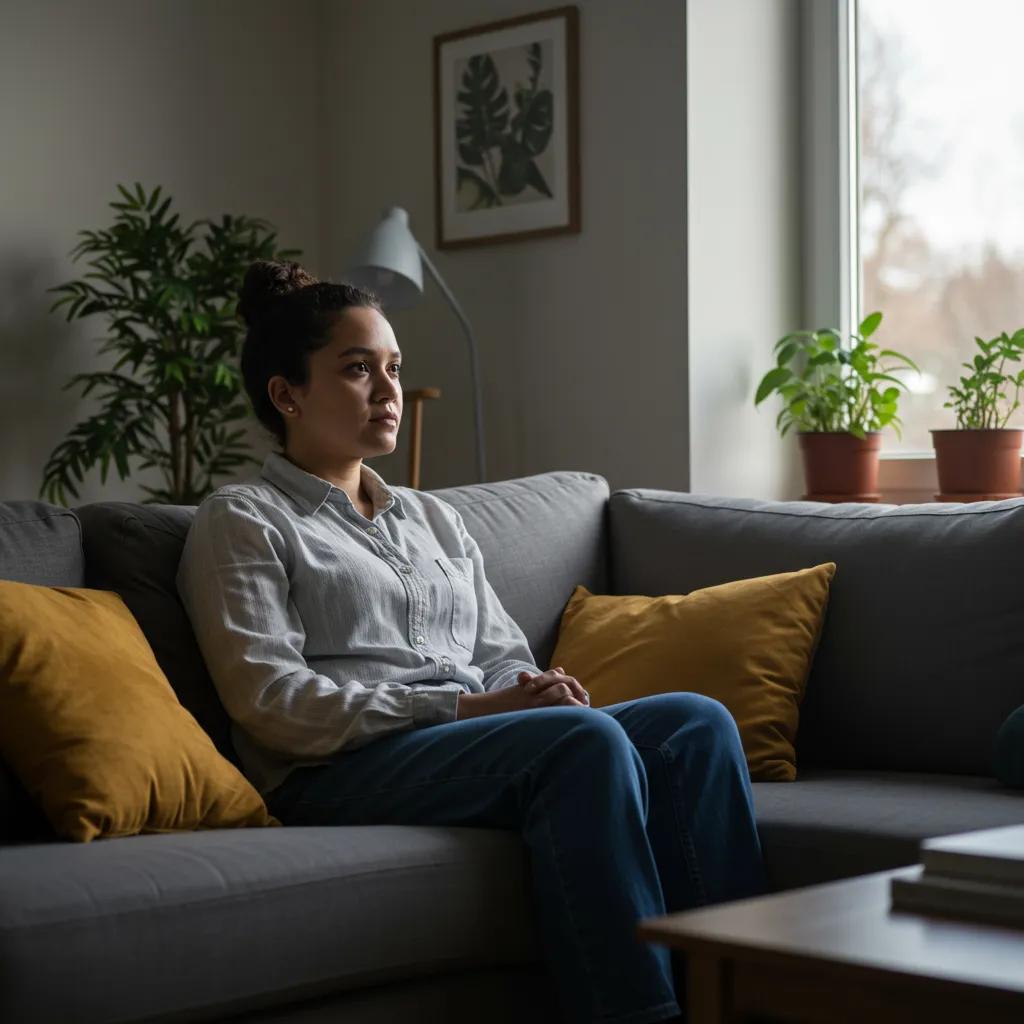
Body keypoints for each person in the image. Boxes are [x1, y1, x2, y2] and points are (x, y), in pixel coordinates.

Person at [176, 258, 769, 1024]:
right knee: (581, 744)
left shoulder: (434, 518)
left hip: (464, 740)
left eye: (393, 367)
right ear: (286, 394)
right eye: (357, 370)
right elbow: (273, 704)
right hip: (334, 768)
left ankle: (747, 999)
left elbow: (500, 653)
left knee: (694, 724)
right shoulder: (244, 519)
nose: (388, 391)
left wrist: (533, 689)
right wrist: (467, 709)